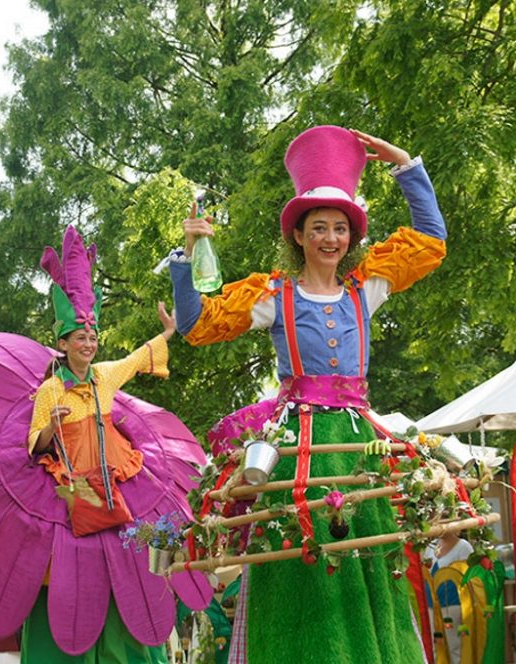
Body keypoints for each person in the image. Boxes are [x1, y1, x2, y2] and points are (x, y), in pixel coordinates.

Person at [170, 126, 448, 663]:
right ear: (299, 235)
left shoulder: (367, 288)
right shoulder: (274, 296)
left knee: (369, 552)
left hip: (358, 443)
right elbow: (194, 324)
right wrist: (187, 255)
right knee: (301, 556)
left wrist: (407, 166)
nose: (330, 238)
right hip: (300, 445)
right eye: (318, 227)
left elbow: (431, 241)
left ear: (351, 237)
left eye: (340, 228)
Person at [23, 225, 180, 663]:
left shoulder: (105, 376)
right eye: (80, 339)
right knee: (74, 569)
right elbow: (35, 445)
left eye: (92, 338)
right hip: (73, 491)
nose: (89, 345)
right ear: (63, 343)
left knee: (130, 559)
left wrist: (167, 334)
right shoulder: (50, 391)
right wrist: (52, 427)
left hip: (120, 482)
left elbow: (134, 360)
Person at [425, 532, 474, 664]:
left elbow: (470, 577)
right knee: (436, 646)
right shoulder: (431, 546)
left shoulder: (463, 547)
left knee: (455, 646)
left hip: (453, 604)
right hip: (431, 604)